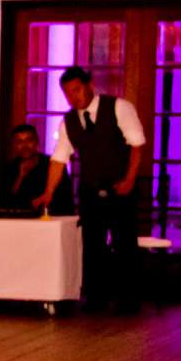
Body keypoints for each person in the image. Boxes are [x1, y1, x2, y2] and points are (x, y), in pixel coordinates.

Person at [36, 65, 149, 313]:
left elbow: (136, 145)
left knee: (124, 243)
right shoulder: (68, 121)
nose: (73, 97)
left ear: (89, 86)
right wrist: (48, 192)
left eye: (76, 90)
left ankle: (128, 301)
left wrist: (129, 180)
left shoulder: (119, 107)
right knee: (93, 244)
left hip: (121, 187)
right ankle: (96, 298)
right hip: (90, 189)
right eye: (67, 93)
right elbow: (58, 159)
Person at [0, 122, 49, 212]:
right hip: (18, 221)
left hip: (48, 220)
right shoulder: (8, 169)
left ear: (37, 142)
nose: (25, 146)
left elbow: (64, 200)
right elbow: (4, 203)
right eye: (19, 142)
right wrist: (20, 177)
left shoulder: (50, 165)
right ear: (14, 145)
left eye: (29, 140)